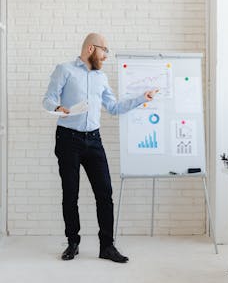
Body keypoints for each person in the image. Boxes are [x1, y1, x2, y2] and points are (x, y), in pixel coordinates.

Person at [43, 33, 158, 263]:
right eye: (104, 50)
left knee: (105, 193)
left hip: (94, 140)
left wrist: (140, 98)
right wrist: (59, 107)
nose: (106, 55)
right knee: (70, 193)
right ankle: (72, 242)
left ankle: (107, 246)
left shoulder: (101, 78)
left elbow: (113, 108)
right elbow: (47, 99)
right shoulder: (64, 70)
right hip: (68, 140)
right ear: (90, 49)